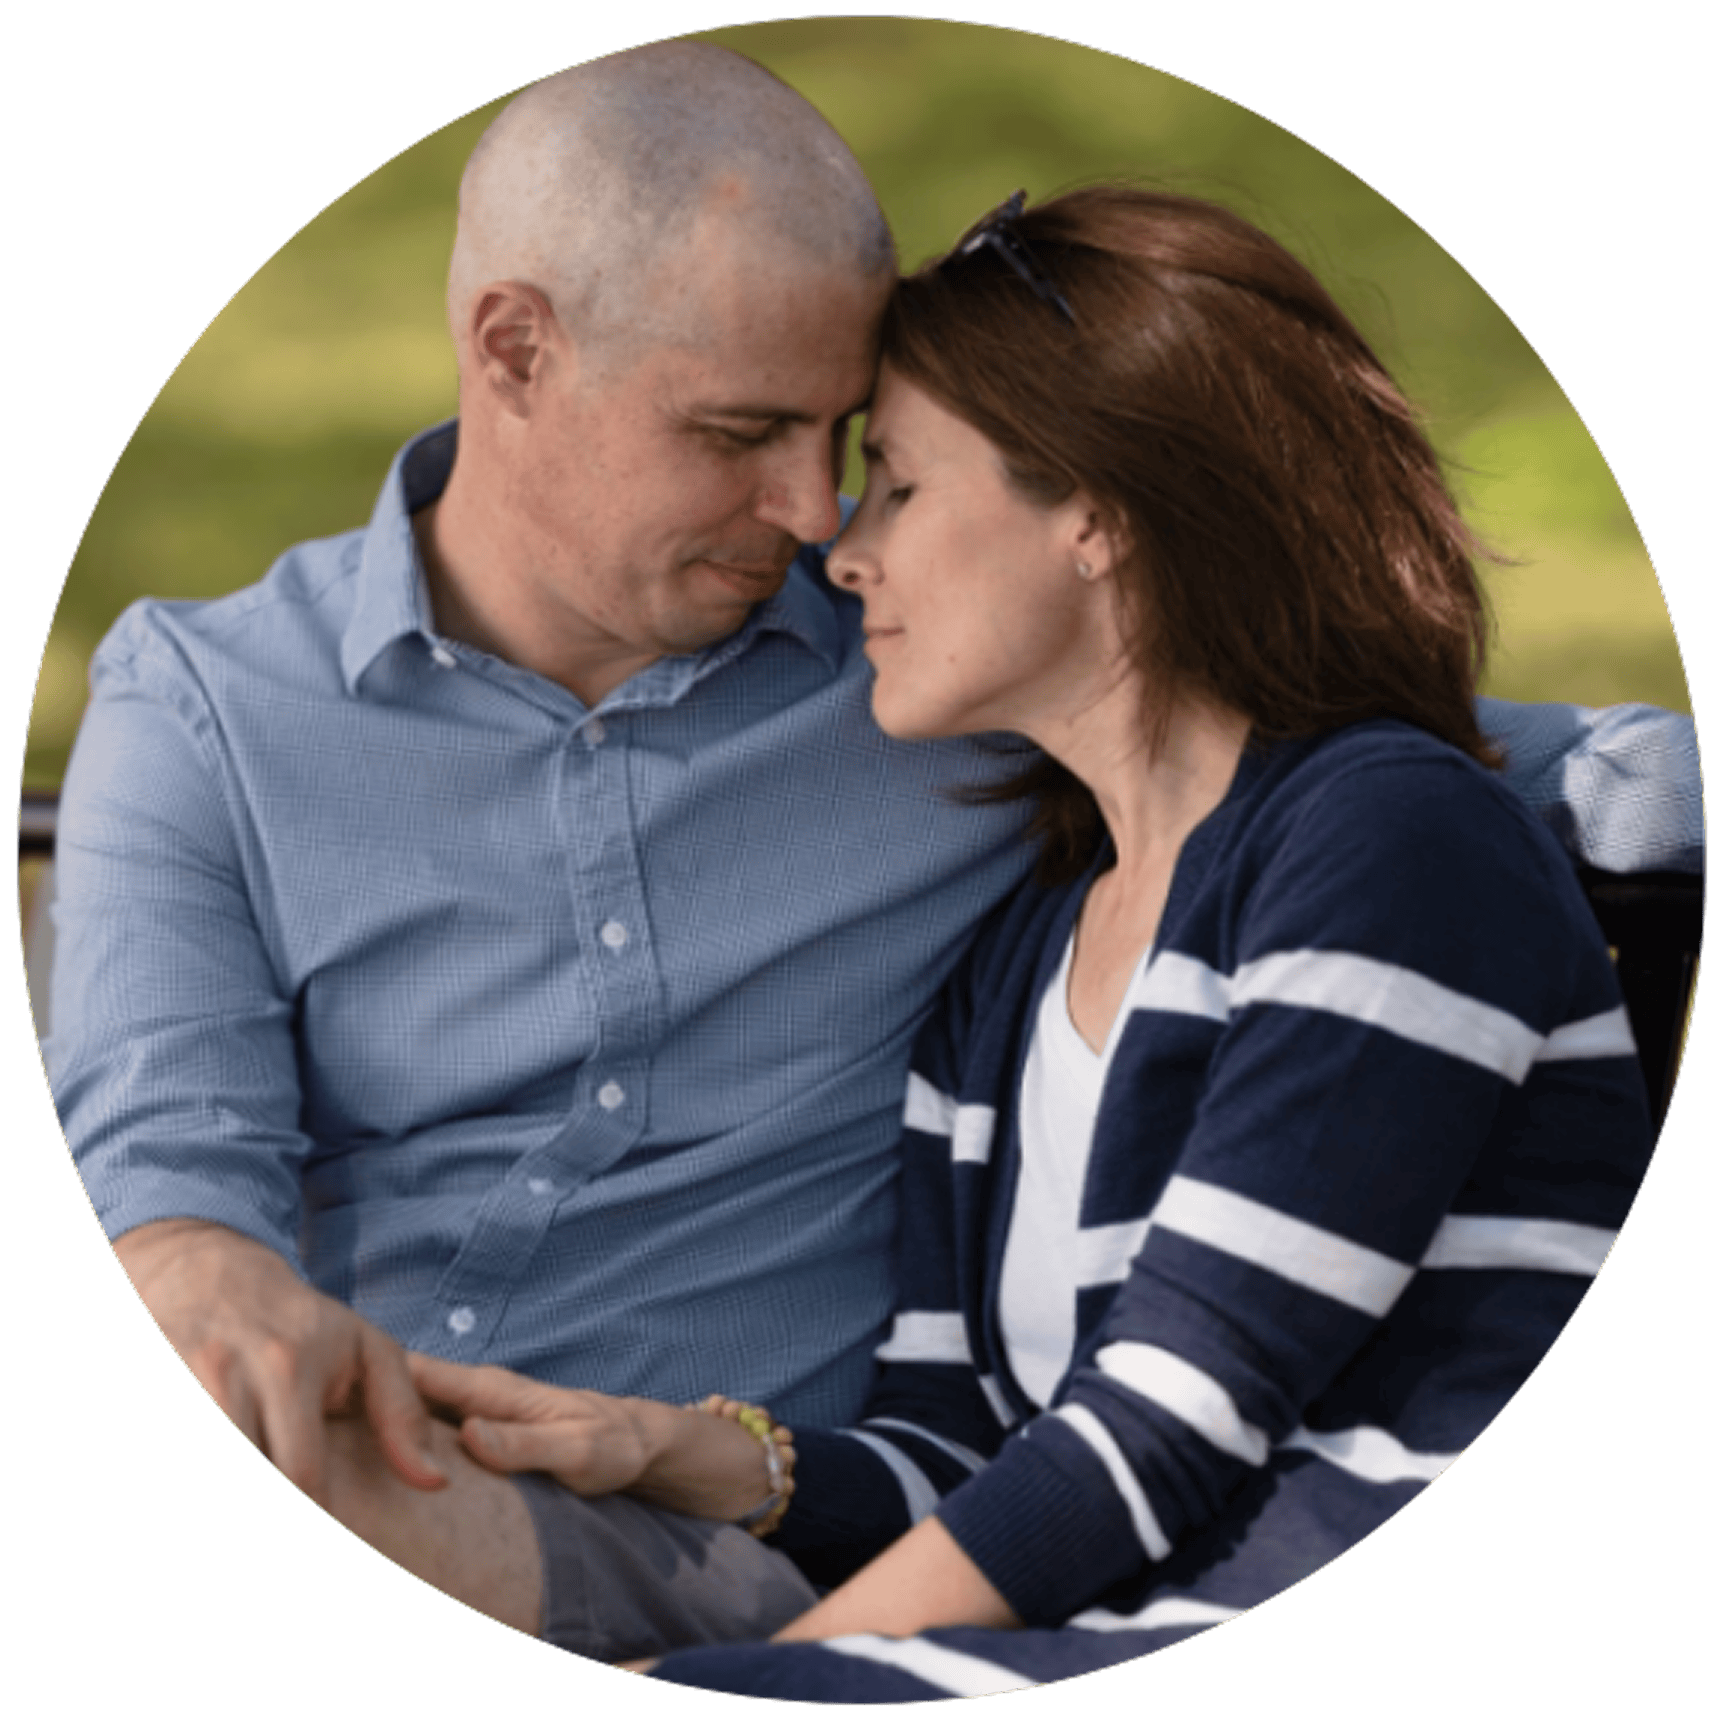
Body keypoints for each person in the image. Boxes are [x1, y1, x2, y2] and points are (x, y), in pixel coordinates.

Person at [46, 46, 1694, 1665]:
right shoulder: (204, 704)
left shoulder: (940, 687)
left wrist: (1622, 778)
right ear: (515, 350)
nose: (816, 519)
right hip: (463, 1451)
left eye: (856, 447)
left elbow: (1305, 724)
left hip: (766, 1573)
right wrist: (195, 1268)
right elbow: (163, 1149)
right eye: (744, 429)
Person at [396, 187, 1664, 1697]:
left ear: (1099, 514)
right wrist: (702, 1455)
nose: (840, 550)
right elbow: (969, 1446)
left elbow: (1172, 1415)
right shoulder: (1019, 954)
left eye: (902, 488)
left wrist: (767, 1678)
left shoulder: (1386, 842)